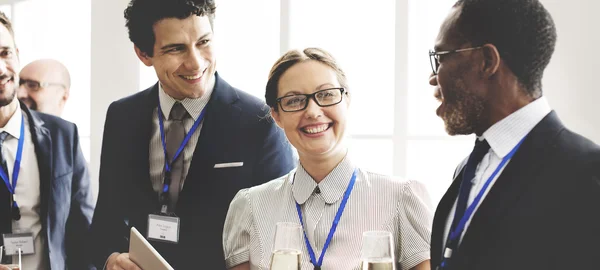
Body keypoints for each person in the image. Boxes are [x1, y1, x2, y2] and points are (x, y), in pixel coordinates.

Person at [88, 0, 295, 269]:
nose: (195, 63)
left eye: (204, 42)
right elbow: (106, 221)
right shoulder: (122, 115)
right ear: (143, 54)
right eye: (176, 49)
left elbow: (281, 233)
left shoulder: (258, 121)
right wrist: (110, 259)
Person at [223, 48, 432, 270]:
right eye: (294, 100)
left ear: (346, 100)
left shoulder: (403, 198)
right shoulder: (249, 207)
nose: (313, 112)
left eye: (326, 94)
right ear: (276, 115)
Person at [428, 0, 600, 269]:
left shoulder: (587, 173)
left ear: (487, 61)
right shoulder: (466, 169)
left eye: (441, 57)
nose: (432, 77)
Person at [0, 11, 94, 270]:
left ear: (17, 53)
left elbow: (84, 230)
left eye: (5, 53)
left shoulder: (64, 135)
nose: (0, 69)